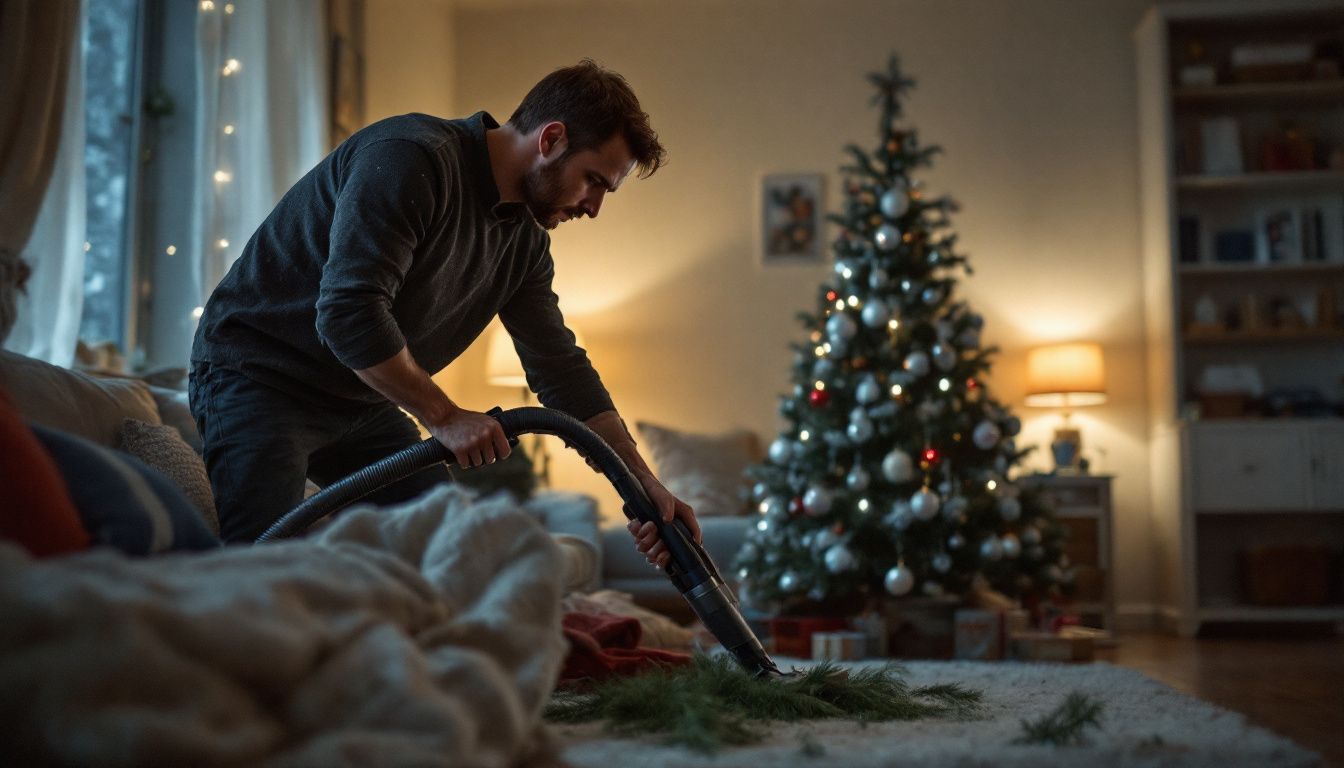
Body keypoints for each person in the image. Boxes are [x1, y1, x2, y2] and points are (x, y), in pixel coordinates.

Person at [189, 60, 699, 564]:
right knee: (261, 574)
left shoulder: (523, 242)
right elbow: (347, 312)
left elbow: (561, 369)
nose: (593, 208)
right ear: (551, 140)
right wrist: (445, 416)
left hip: (361, 402)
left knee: (452, 555)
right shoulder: (412, 159)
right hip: (258, 378)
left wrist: (643, 486)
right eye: (594, 181)